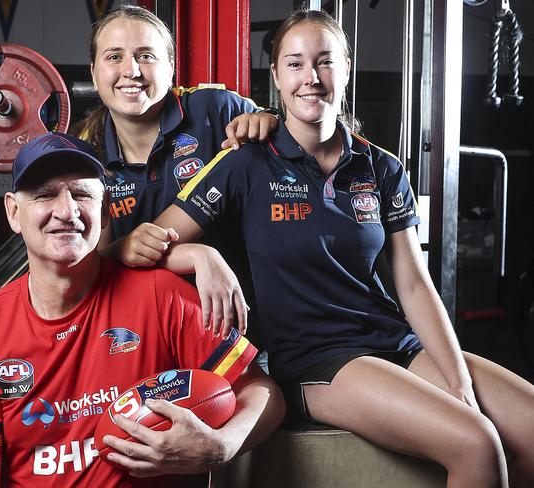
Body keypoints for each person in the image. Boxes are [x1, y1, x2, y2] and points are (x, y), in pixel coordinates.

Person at [118, 10, 534, 487]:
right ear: (275, 76)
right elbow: (143, 246)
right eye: (294, 64)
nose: (310, 78)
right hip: (315, 358)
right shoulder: (246, 162)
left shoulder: (381, 166)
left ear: (347, 69)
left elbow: (415, 285)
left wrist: (458, 381)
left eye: (324, 62)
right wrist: (201, 255)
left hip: (393, 341)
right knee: (476, 443)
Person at [0, 132, 285, 488]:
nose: (66, 211)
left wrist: (220, 447)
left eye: (83, 195)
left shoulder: (162, 296)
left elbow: (261, 392)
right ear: (13, 211)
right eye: (45, 195)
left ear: (104, 212)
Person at [72, 5, 279, 339]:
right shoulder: (83, 153)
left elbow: (294, 145)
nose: (131, 70)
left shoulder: (215, 109)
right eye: (114, 57)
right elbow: (84, 268)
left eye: (146, 56)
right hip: (143, 335)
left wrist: (269, 120)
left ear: (170, 67)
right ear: (94, 72)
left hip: (245, 329)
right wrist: (123, 250)